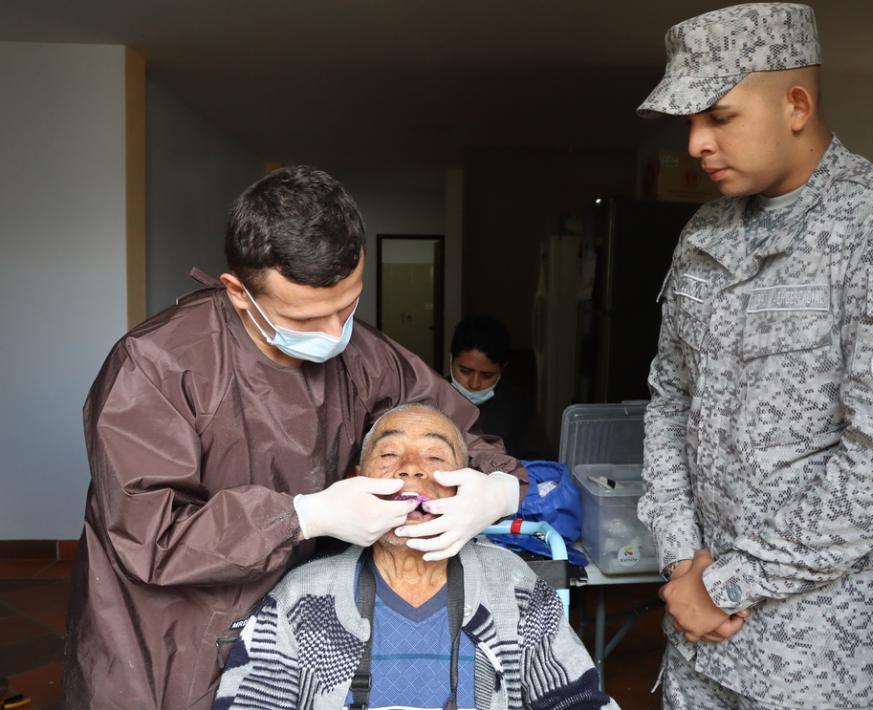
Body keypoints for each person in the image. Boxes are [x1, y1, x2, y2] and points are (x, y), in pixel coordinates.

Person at [64, 166, 527, 709]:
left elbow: (457, 431)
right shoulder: (155, 367)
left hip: (306, 630)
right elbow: (151, 537)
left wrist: (497, 489)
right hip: (168, 643)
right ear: (239, 292)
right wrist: (302, 517)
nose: (335, 336)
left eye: (347, 306)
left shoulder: (367, 358)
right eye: (307, 319)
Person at [636, 4, 873, 709]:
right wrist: (680, 561)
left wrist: (722, 585)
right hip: (700, 649)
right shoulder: (705, 232)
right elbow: (671, 399)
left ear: (796, 105)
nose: (696, 143)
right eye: (689, 122)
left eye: (719, 116)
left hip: (825, 665)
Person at [214, 404, 616, 710]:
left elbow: (579, 701)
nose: (411, 470)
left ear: (466, 487)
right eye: (389, 456)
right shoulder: (304, 595)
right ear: (356, 481)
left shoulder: (512, 586)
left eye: (436, 458)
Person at [448, 316, 538, 459]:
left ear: (502, 369)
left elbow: (533, 460)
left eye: (487, 375)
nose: (474, 384)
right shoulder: (431, 395)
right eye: (465, 371)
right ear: (451, 359)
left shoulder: (517, 403)